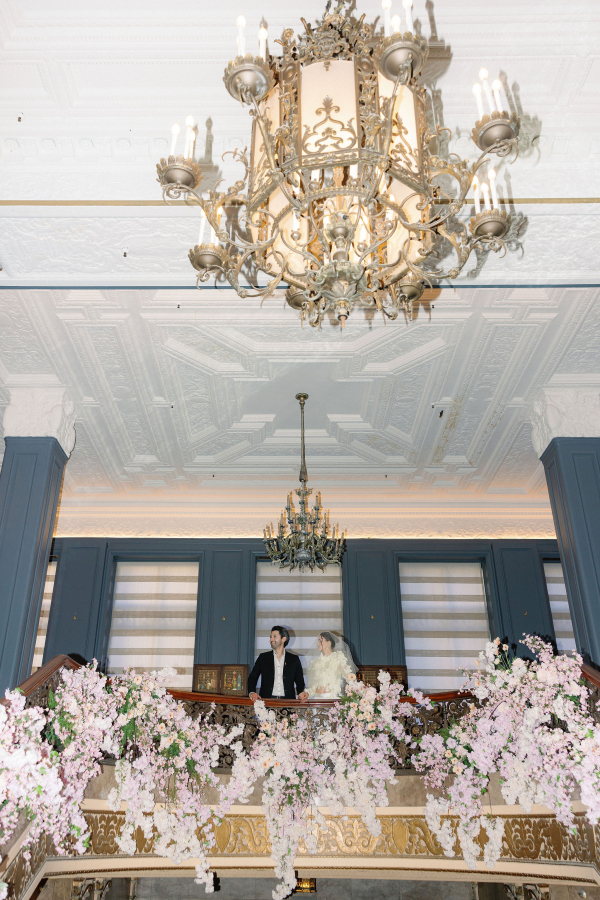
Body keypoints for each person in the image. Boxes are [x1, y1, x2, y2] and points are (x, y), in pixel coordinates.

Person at [248, 625, 309, 701]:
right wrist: (252, 692)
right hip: (267, 702)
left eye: (274, 636)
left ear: (283, 639)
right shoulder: (263, 657)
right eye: (270, 637)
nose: (271, 639)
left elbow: (300, 682)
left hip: (288, 703)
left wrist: (301, 693)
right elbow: (253, 677)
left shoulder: (294, 659)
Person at [305, 631, 357, 699]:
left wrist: (356, 691)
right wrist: (307, 693)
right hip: (317, 699)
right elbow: (314, 686)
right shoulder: (316, 662)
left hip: (331, 698)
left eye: (320, 641)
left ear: (328, 643)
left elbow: (349, 677)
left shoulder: (338, 658)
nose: (317, 643)